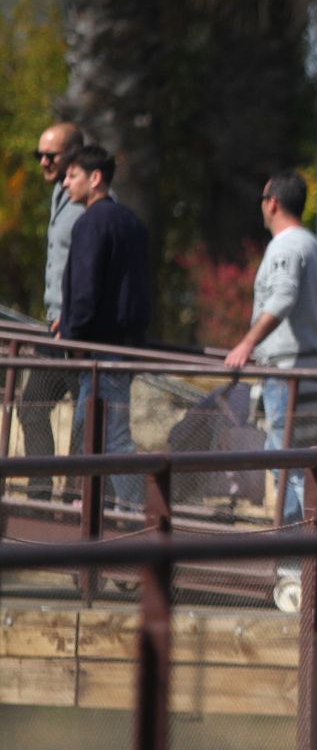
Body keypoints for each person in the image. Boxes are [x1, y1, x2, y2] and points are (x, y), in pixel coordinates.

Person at [224, 172, 317, 526]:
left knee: (289, 466)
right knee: (311, 464)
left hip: (289, 371)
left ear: (272, 202)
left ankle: (295, 556)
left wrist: (247, 342)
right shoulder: (314, 245)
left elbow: (283, 296)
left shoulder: (286, 246)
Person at [58, 145, 151, 509]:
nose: (66, 184)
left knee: (109, 436)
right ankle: (102, 507)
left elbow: (85, 288)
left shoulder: (91, 223)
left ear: (95, 179)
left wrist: (73, 334)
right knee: (91, 428)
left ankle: (139, 513)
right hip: (125, 343)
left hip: (100, 348)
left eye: (72, 175)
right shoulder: (132, 221)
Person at [19, 122, 87, 498]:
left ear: (74, 156)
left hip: (76, 328)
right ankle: (40, 493)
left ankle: (79, 499)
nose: (43, 161)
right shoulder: (60, 196)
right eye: (39, 155)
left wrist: (75, 315)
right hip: (54, 326)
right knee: (32, 406)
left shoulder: (87, 202)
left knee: (85, 417)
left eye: (51, 155)